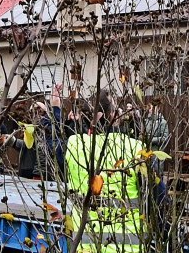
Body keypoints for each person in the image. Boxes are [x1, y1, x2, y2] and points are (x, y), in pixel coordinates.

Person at [62, 96, 149, 253]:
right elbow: (156, 197)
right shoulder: (136, 147)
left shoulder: (74, 145)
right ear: (112, 116)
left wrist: (59, 111)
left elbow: (53, 154)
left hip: (86, 246)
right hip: (129, 246)